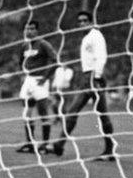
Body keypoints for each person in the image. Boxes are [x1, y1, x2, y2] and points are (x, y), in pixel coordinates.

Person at [52, 10, 116, 161]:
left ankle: (109, 150)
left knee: (101, 114)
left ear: (91, 22)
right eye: (80, 21)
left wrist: (97, 76)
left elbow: (101, 57)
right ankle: (60, 144)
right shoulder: (87, 37)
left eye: (85, 21)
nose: (82, 24)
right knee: (75, 111)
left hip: (94, 77)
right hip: (86, 77)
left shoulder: (96, 35)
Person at [15, 20, 58, 154]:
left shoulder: (44, 44)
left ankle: (45, 144)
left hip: (40, 81)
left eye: (32, 29)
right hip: (28, 81)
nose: (29, 31)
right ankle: (30, 143)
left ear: (37, 30)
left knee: (42, 113)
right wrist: (23, 75)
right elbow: (20, 62)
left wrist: (45, 78)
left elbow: (56, 61)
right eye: (27, 29)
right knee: (26, 113)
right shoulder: (24, 46)